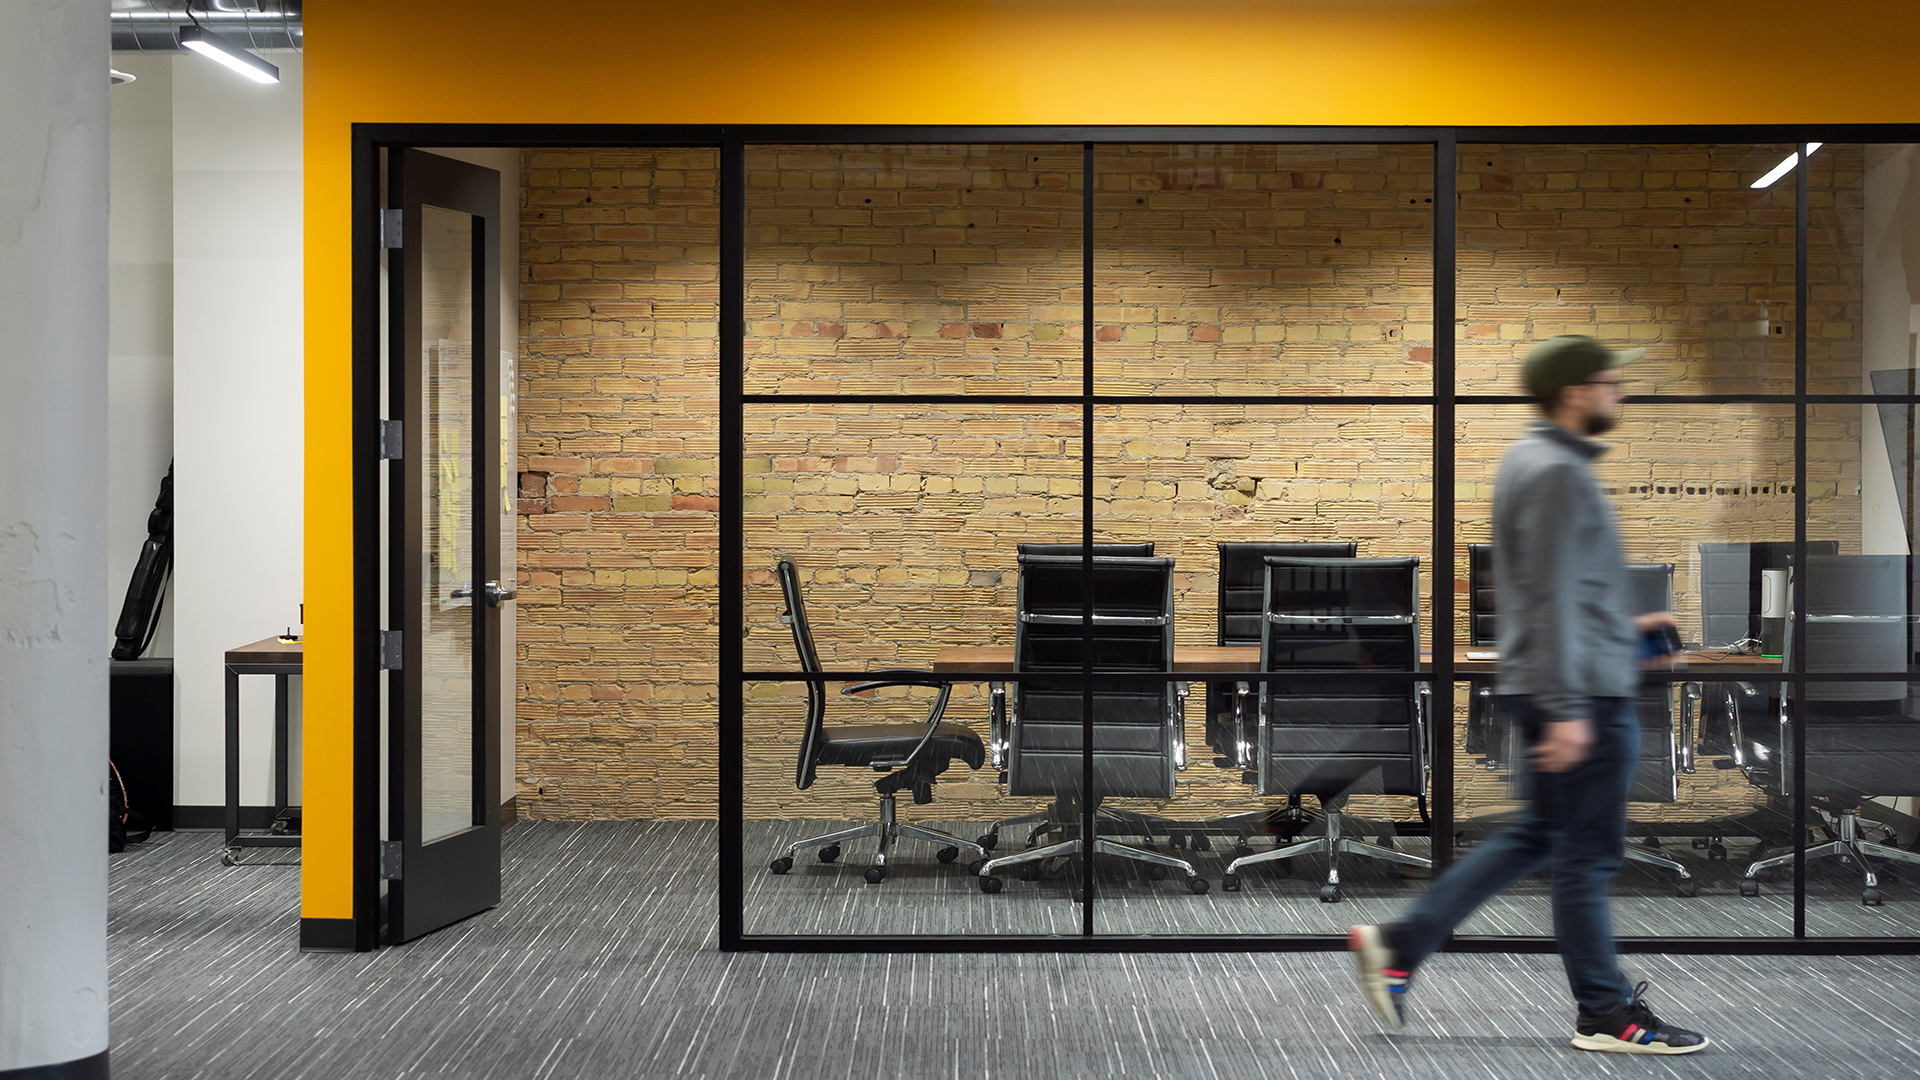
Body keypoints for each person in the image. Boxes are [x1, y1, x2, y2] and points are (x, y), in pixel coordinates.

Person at [1347, 335, 1709, 1055]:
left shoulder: (1539, 464)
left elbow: (1558, 591)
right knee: (1586, 857)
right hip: (1584, 700)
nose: (1620, 392)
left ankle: (1400, 945)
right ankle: (1607, 1014)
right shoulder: (1555, 473)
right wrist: (1572, 707)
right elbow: (1543, 599)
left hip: (1567, 683)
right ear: (1574, 391)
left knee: (1538, 836)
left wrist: (1625, 622)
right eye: (1610, 382)